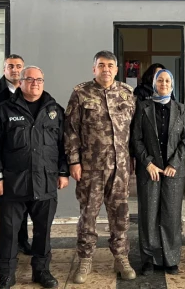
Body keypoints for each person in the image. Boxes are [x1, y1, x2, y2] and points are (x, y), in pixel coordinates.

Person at [0, 66, 69, 289]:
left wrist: (63, 172)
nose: (35, 83)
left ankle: (41, 271)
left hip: (46, 182)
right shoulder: (4, 110)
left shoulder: (54, 110)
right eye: (29, 79)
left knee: (43, 232)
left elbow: (64, 145)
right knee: (9, 233)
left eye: (39, 79)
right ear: (20, 82)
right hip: (12, 183)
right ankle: (7, 275)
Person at [64, 51, 137, 284]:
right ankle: (85, 259)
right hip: (90, 168)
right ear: (93, 68)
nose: (106, 69)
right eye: (101, 65)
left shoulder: (127, 93)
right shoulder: (80, 93)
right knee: (88, 215)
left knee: (121, 215)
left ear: (117, 69)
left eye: (111, 65)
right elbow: (70, 131)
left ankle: (121, 256)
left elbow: (134, 131)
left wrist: (133, 159)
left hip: (120, 167)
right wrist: (74, 161)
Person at [131, 69, 185, 276]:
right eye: (160, 80)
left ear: (172, 84)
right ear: (154, 84)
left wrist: (174, 163)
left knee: (171, 216)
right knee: (148, 215)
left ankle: (170, 258)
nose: (164, 83)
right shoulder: (142, 107)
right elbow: (136, 139)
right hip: (150, 170)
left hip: (173, 171)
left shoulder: (181, 109)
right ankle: (149, 259)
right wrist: (147, 163)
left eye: (167, 80)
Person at [0, 54, 32, 255]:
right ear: (4, 69)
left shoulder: (28, 89)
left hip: (22, 157)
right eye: (10, 66)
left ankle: (22, 241)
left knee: (24, 203)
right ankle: (3, 246)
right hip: (1, 159)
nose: (15, 70)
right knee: (4, 205)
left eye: (19, 66)